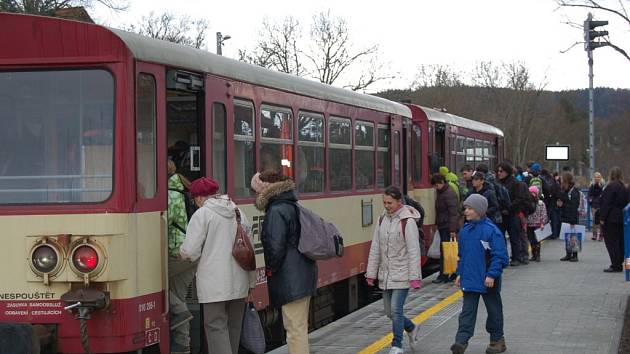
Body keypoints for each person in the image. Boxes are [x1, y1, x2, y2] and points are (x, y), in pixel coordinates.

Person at [179, 177, 256, 354]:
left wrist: (181, 253)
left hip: (214, 286)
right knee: (234, 327)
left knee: (215, 327)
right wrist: (251, 283)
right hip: (239, 282)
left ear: (199, 197)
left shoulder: (203, 214)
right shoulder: (237, 212)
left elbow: (190, 251)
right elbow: (250, 250)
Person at [251, 171, 317, 354]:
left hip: (291, 279)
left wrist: (270, 269)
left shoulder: (276, 211)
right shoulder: (291, 205)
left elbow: (275, 247)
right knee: (299, 327)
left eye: (256, 191)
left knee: (295, 330)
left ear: (266, 190)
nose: (255, 195)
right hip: (301, 274)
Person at [366, 186, 423, 354]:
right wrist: (371, 273)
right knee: (389, 312)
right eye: (384, 202)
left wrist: (415, 277)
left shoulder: (408, 221)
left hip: (403, 273)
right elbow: (375, 247)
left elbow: (413, 250)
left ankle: (397, 345)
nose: (387, 206)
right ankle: (411, 327)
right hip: (386, 274)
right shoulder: (382, 219)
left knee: (397, 310)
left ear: (399, 202)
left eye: (390, 202)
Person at [451, 194, 509, 354]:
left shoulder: (492, 231)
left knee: (494, 311)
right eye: (465, 208)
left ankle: (497, 340)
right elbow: (462, 256)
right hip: (470, 279)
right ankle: (460, 342)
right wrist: (459, 274)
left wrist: (491, 275)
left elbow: (500, 256)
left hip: (488, 280)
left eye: (469, 208)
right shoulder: (465, 231)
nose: (466, 211)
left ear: (480, 210)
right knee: (467, 312)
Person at [166, 160, 195, 354]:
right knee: (178, 296)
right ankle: (183, 346)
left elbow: (163, 222)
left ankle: (182, 313)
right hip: (188, 252)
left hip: (177, 253)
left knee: (150, 284)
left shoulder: (170, 195)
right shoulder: (183, 191)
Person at [431, 173, 461, 283]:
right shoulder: (442, 192)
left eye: (436, 185)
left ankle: (445, 275)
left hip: (448, 226)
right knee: (447, 251)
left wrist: (452, 230)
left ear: (442, 182)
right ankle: (452, 273)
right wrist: (436, 223)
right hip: (444, 225)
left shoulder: (448, 194)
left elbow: (454, 213)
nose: (435, 187)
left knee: (447, 251)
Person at [599, 167, 629, 272]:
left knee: (612, 243)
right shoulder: (624, 187)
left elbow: (606, 204)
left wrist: (602, 218)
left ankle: (615, 264)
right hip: (621, 218)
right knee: (620, 242)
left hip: (610, 219)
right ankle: (620, 261)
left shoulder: (610, 187)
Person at [557, 172, 581, 262]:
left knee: (573, 235)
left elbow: (574, 206)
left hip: (572, 217)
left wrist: (572, 221)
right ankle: (568, 253)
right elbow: (564, 201)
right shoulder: (565, 190)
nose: (561, 181)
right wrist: (560, 204)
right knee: (567, 235)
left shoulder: (574, 191)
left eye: (563, 180)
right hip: (566, 215)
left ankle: (575, 255)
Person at [526, 186, 548, 262]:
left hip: (538, 224)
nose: (532, 194)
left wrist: (542, 223)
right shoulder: (527, 203)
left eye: (533, 193)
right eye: (530, 193)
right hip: (529, 224)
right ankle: (533, 255)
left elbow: (543, 214)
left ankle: (538, 255)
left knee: (537, 240)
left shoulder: (540, 203)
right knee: (531, 240)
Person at [540, 169, 561, 239]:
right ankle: (554, 234)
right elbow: (558, 191)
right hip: (554, 202)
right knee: (554, 219)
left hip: (547, 202)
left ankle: (545, 234)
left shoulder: (543, 180)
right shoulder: (553, 181)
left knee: (546, 218)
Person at [588, 172, 605, 241]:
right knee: (595, 219)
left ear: (600, 178)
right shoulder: (591, 185)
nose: (597, 178)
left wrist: (599, 186)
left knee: (601, 220)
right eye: (595, 177)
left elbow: (603, 194)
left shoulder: (603, 185)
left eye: (598, 177)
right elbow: (590, 194)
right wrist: (590, 201)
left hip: (601, 204)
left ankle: (601, 235)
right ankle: (594, 235)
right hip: (594, 204)